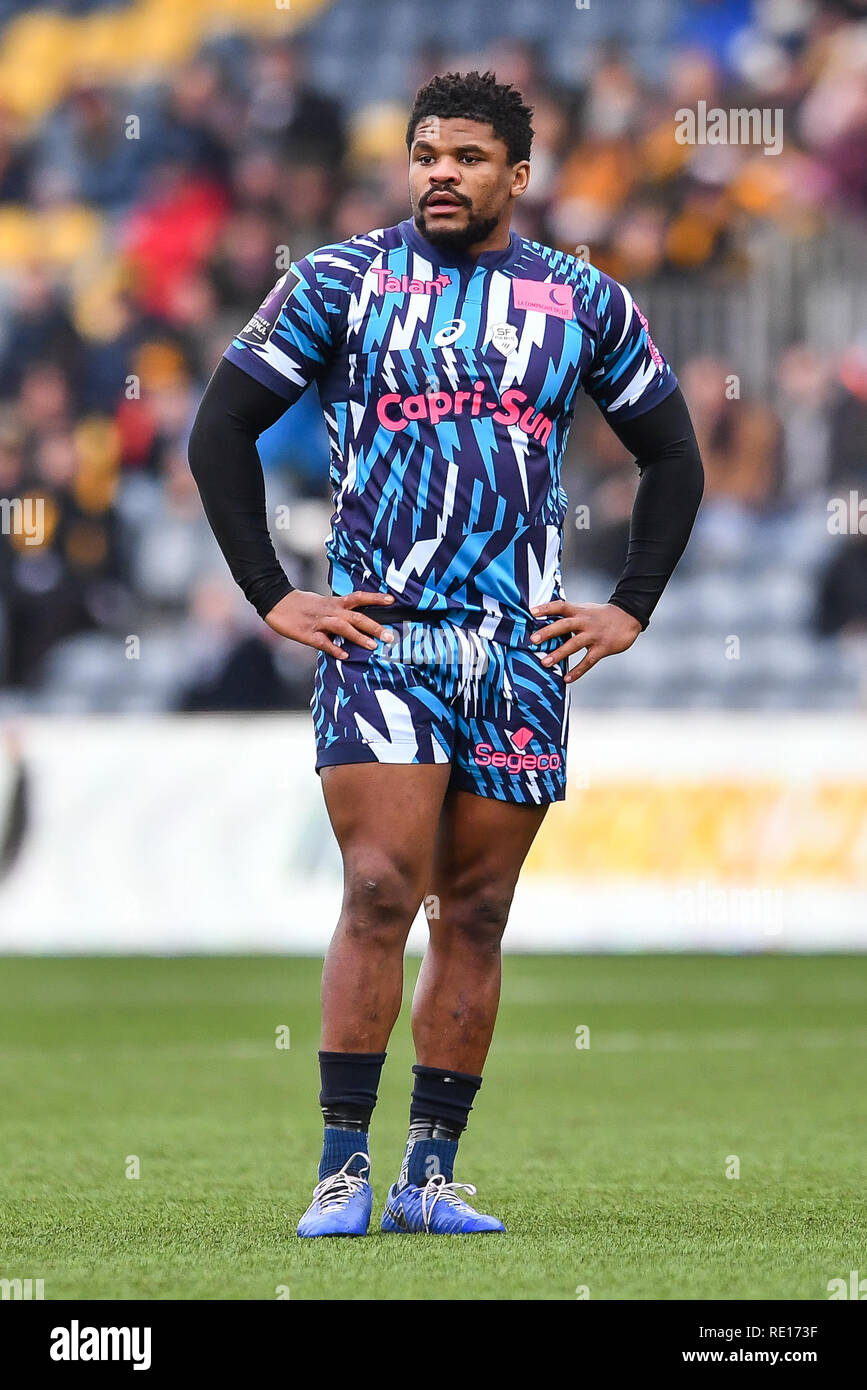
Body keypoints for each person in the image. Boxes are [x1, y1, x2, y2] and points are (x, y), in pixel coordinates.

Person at [188, 71, 703, 1237]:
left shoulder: (581, 301)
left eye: (468, 157)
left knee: (475, 909)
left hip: (518, 648)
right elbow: (218, 429)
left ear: (518, 175)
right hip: (385, 636)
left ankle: (430, 1173)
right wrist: (274, 593)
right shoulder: (338, 281)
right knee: (380, 887)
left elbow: (674, 454)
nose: (440, 173)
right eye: (425, 152)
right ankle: (339, 1167)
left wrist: (632, 605)